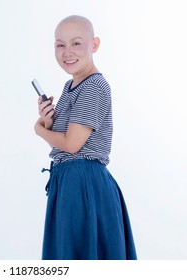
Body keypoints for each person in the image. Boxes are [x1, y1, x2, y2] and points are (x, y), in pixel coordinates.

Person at [34, 15, 137, 260]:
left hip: (83, 183)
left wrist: (39, 129)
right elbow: (66, 145)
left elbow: (71, 145)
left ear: (95, 45)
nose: (67, 52)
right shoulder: (71, 86)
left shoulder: (93, 86)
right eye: (60, 45)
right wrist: (49, 122)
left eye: (76, 43)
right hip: (71, 180)